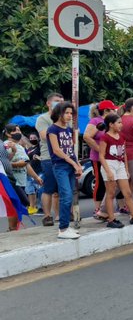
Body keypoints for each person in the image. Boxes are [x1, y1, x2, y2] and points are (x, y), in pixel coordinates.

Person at [98, 114, 133, 228]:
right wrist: (109, 172)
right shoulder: (105, 137)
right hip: (109, 163)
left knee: (128, 193)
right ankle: (111, 219)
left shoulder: (121, 136)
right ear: (111, 124)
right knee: (111, 194)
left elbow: (124, 153)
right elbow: (101, 156)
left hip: (120, 164)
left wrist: (126, 169)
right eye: (119, 123)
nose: (121, 125)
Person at [47, 102, 83, 239]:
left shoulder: (68, 130)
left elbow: (71, 150)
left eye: (70, 113)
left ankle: (66, 227)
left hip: (70, 165)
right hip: (60, 166)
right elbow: (57, 150)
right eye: (66, 113)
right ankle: (63, 229)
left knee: (70, 195)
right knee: (66, 196)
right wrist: (73, 163)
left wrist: (77, 164)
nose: (69, 116)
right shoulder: (52, 129)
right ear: (59, 113)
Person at [83, 100, 118, 220]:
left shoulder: (112, 121)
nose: (115, 111)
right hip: (98, 158)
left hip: (112, 157)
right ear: (107, 110)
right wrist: (100, 149)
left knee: (112, 183)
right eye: (113, 109)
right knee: (100, 183)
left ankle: (107, 208)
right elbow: (87, 137)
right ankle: (97, 209)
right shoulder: (96, 121)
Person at [35, 92, 64, 227]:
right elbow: (43, 136)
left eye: (62, 100)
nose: (60, 103)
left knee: (62, 189)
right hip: (49, 158)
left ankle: (60, 215)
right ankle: (47, 216)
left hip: (65, 157)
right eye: (57, 100)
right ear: (48, 103)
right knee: (49, 188)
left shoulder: (66, 118)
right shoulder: (43, 118)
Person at [25, 132, 42, 214]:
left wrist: (38, 157)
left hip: (39, 171)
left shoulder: (40, 147)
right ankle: (32, 206)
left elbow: (42, 157)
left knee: (40, 189)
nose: (32, 139)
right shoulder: (29, 149)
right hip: (30, 171)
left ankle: (41, 206)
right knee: (30, 190)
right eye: (31, 138)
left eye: (34, 138)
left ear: (38, 138)